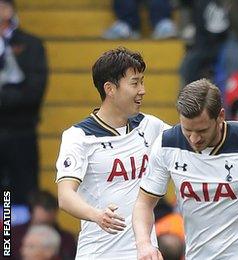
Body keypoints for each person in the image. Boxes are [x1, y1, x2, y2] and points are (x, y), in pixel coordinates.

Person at [133, 79, 238, 259]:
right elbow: (144, 203)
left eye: (202, 130)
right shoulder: (167, 144)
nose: (194, 139)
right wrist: (144, 244)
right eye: (187, 130)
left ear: (220, 116)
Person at [55, 47, 169, 259]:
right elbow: (65, 196)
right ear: (110, 89)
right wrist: (96, 215)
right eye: (135, 83)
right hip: (99, 253)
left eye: (142, 82)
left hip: (144, 252)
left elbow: (191, 142)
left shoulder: (150, 126)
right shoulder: (79, 136)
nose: (142, 90)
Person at [0, 0, 48, 205]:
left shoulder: (31, 44)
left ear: (10, 9)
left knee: (22, 194)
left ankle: (16, 237)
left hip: (21, 132)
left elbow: (34, 91)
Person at [11, 191, 76, 260]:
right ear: (31, 213)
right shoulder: (13, 235)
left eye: (47, 224)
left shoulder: (67, 239)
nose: (23, 252)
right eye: (40, 223)